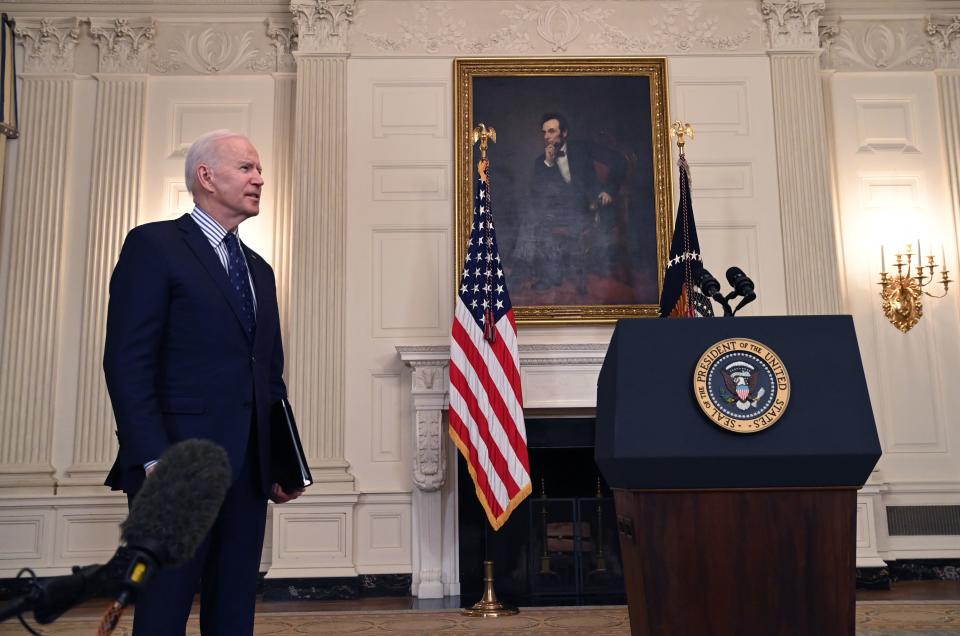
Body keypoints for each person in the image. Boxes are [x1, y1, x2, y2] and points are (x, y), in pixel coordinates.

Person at [103, 130, 302, 635]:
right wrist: (151, 456)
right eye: (245, 168)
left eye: (259, 170)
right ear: (206, 177)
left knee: (233, 611)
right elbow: (127, 362)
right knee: (164, 612)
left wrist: (281, 459)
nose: (259, 178)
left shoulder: (259, 269)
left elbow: (268, 375)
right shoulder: (154, 245)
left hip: (248, 473)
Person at [515, 112, 627, 293]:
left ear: (564, 133)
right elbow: (538, 194)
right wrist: (549, 164)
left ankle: (531, 273)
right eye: (544, 132)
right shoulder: (541, 161)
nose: (547, 137)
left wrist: (608, 189)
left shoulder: (584, 148)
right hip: (557, 212)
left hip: (587, 209)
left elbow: (620, 161)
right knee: (533, 213)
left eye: (551, 131)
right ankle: (548, 274)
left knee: (533, 217)